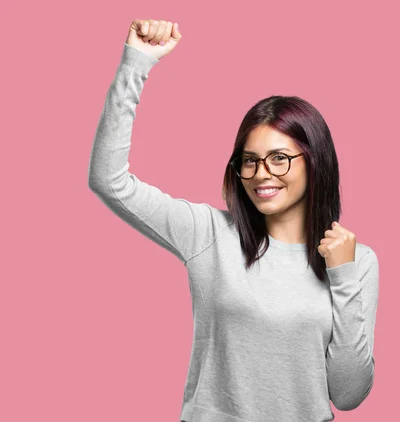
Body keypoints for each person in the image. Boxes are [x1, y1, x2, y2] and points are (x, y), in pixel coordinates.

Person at [88, 18, 380, 422]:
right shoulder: (209, 234)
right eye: (250, 160)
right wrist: (135, 64)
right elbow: (109, 180)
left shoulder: (356, 262)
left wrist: (343, 276)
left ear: (316, 163)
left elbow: (348, 395)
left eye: (280, 158)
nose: (262, 173)